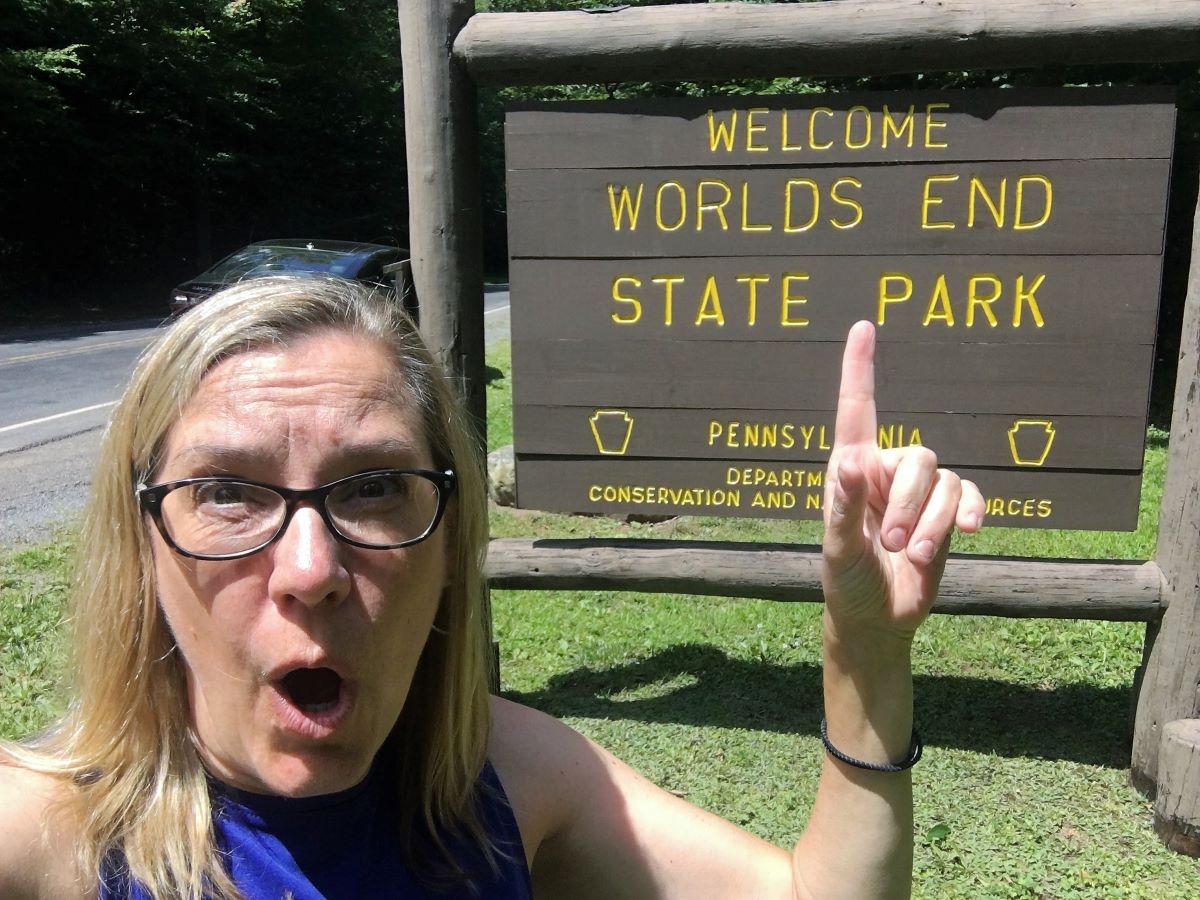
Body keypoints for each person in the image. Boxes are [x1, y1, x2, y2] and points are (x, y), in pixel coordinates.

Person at [0, 275, 984, 899]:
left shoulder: (504, 777)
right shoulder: (45, 841)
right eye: (226, 492)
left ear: (451, 538)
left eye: (377, 487)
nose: (311, 572)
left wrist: (866, 651)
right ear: (143, 541)